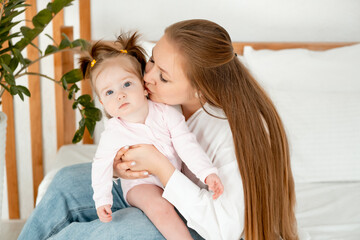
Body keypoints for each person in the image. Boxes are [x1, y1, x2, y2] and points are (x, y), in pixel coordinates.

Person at [19, 19, 299, 240]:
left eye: (163, 77)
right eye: (152, 60)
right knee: (66, 181)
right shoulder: (166, 100)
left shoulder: (230, 133)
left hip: (195, 225)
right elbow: (125, 131)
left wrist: (161, 167)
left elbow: (222, 230)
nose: (147, 77)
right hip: (152, 189)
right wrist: (119, 167)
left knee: (109, 233)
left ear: (201, 87)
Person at [80, 33, 224, 239]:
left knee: (177, 205)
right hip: (141, 185)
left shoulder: (166, 113)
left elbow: (187, 145)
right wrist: (102, 199)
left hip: (173, 178)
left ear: (143, 86)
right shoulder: (113, 131)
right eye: (109, 93)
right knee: (160, 207)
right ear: (102, 103)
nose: (119, 94)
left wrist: (207, 172)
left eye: (127, 84)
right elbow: (101, 165)